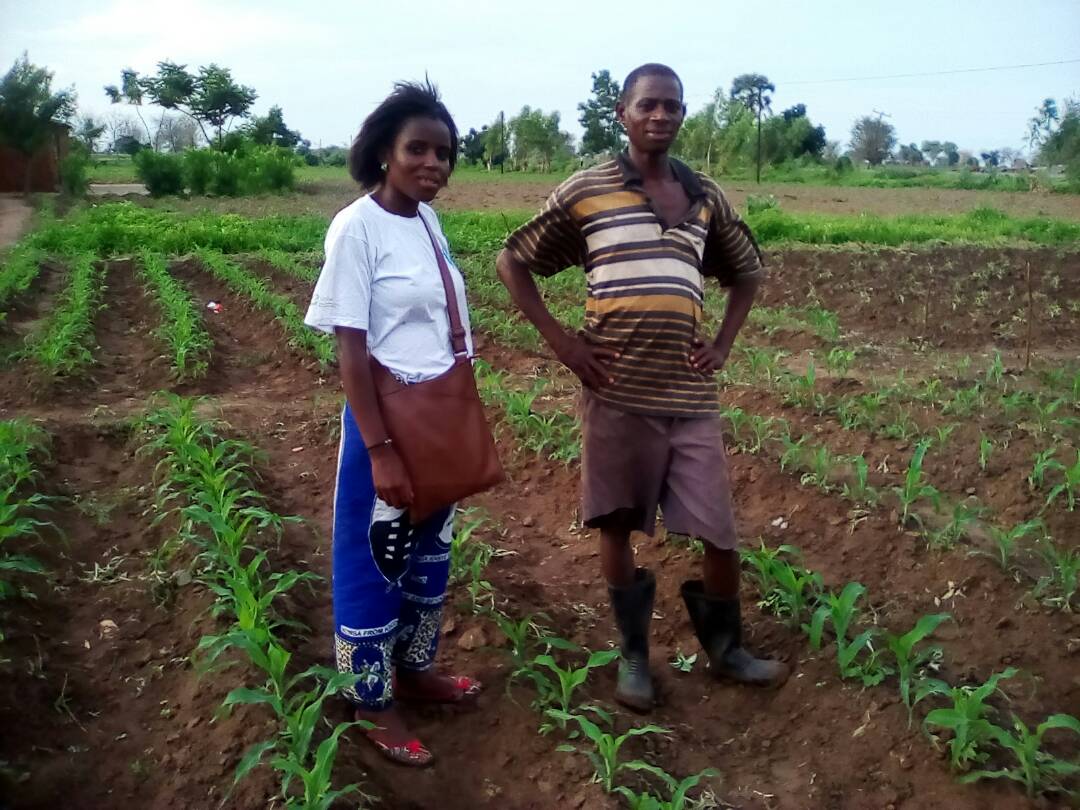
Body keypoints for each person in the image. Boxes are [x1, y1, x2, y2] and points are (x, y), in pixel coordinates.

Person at [496, 63, 789, 713]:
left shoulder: (704, 195)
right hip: (617, 390)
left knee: (718, 531)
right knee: (618, 526)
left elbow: (747, 272)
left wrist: (722, 344)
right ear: (622, 115)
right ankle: (634, 655)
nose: (661, 116)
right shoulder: (588, 190)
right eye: (648, 105)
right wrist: (563, 342)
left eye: (673, 107)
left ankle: (726, 647)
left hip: (688, 396)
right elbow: (512, 260)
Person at [304, 80, 481, 767]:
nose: (434, 163)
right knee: (374, 556)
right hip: (386, 420)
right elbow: (350, 346)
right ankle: (371, 698)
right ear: (384, 152)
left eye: (445, 152)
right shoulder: (357, 227)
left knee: (428, 554)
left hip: (436, 414)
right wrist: (378, 448)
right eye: (419, 149)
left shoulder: (426, 223)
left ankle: (414, 668)